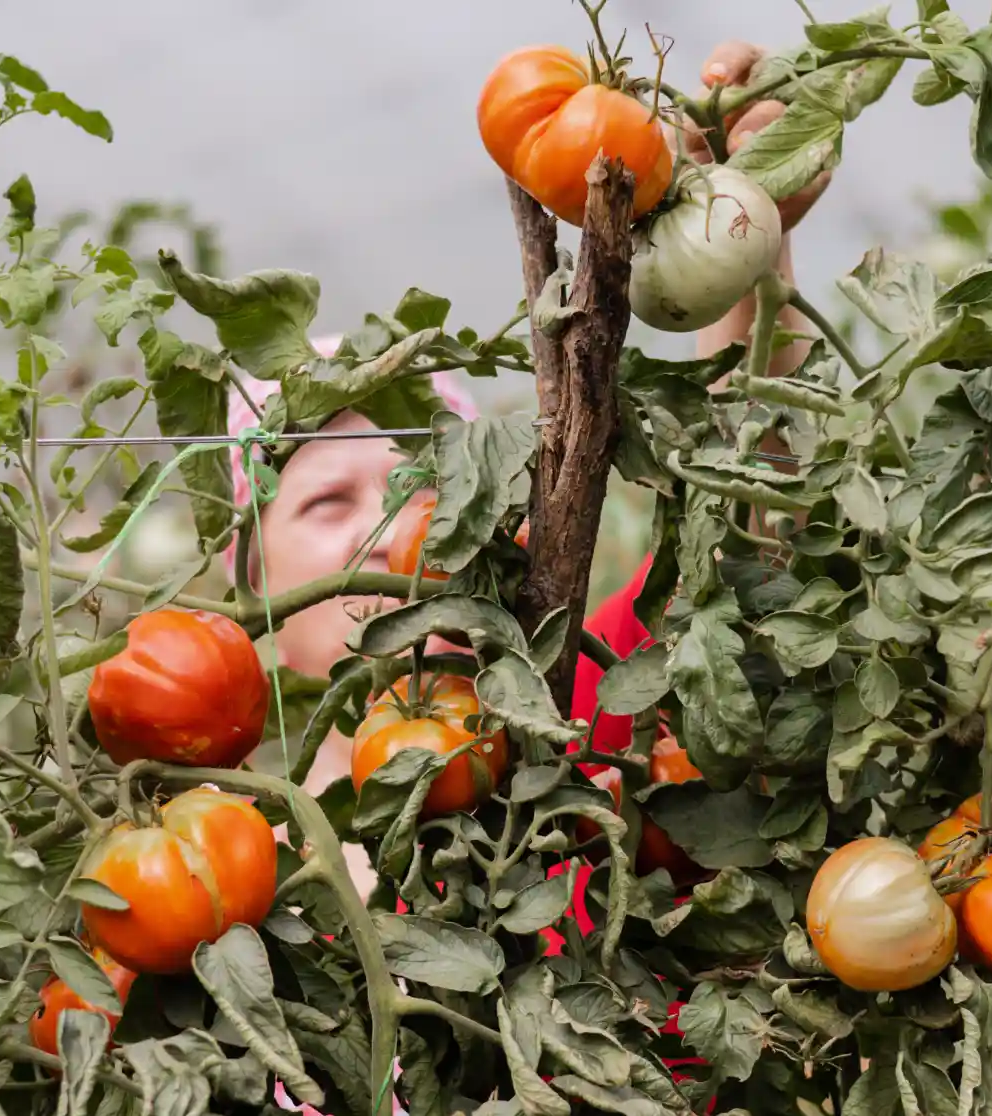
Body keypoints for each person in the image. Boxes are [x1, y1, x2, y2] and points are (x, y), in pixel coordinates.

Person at [236, 38, 831, 1114]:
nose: (392, 524)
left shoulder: (597, 700)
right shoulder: (232, 869)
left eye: (429, 480)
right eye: (326, 505)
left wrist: (746, 250)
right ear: (250, 596)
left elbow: (749, 553)